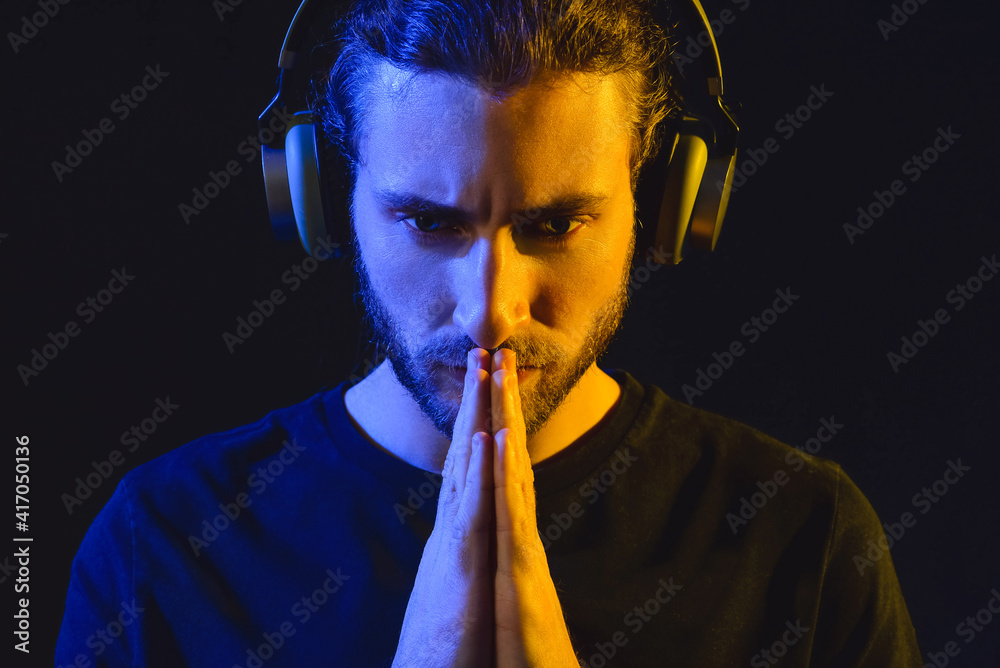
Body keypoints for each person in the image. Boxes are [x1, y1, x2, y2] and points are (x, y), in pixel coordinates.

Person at [56, 0, 922, 666]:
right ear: (327, 200)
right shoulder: (160, 547)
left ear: (661, 209)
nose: (490, 309)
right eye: (430, 223)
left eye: (553, 227)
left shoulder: (804, 541)